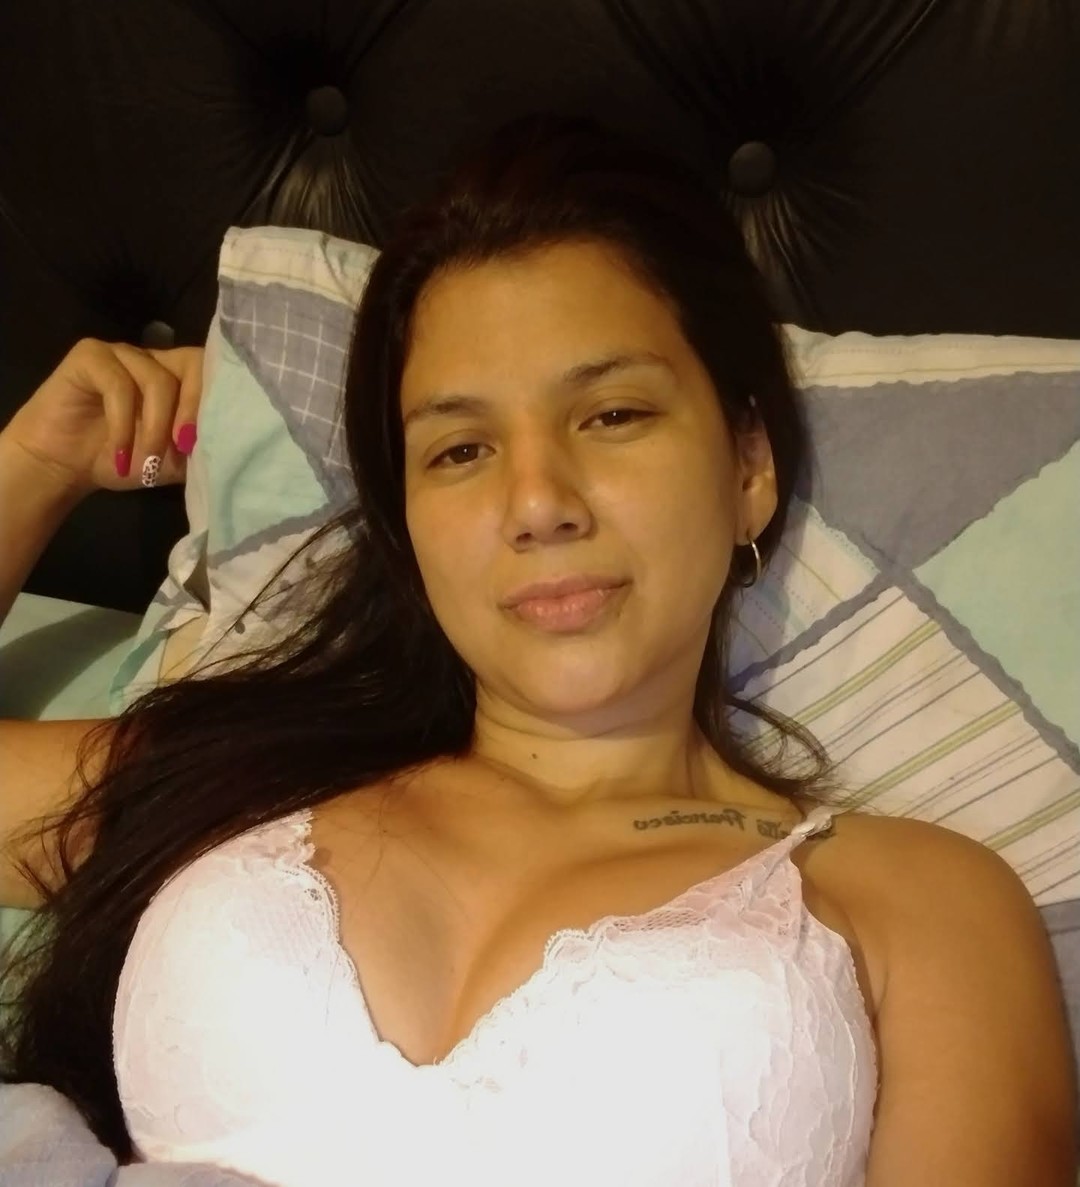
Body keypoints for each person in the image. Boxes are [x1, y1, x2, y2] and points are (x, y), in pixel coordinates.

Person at [0, 113, 1074, 1186]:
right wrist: (34, 465)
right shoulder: (237, 782)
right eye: (461, 448)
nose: (537, 502)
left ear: (749, 465)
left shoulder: (916, 902)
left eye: (611, 415)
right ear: (409, 523)